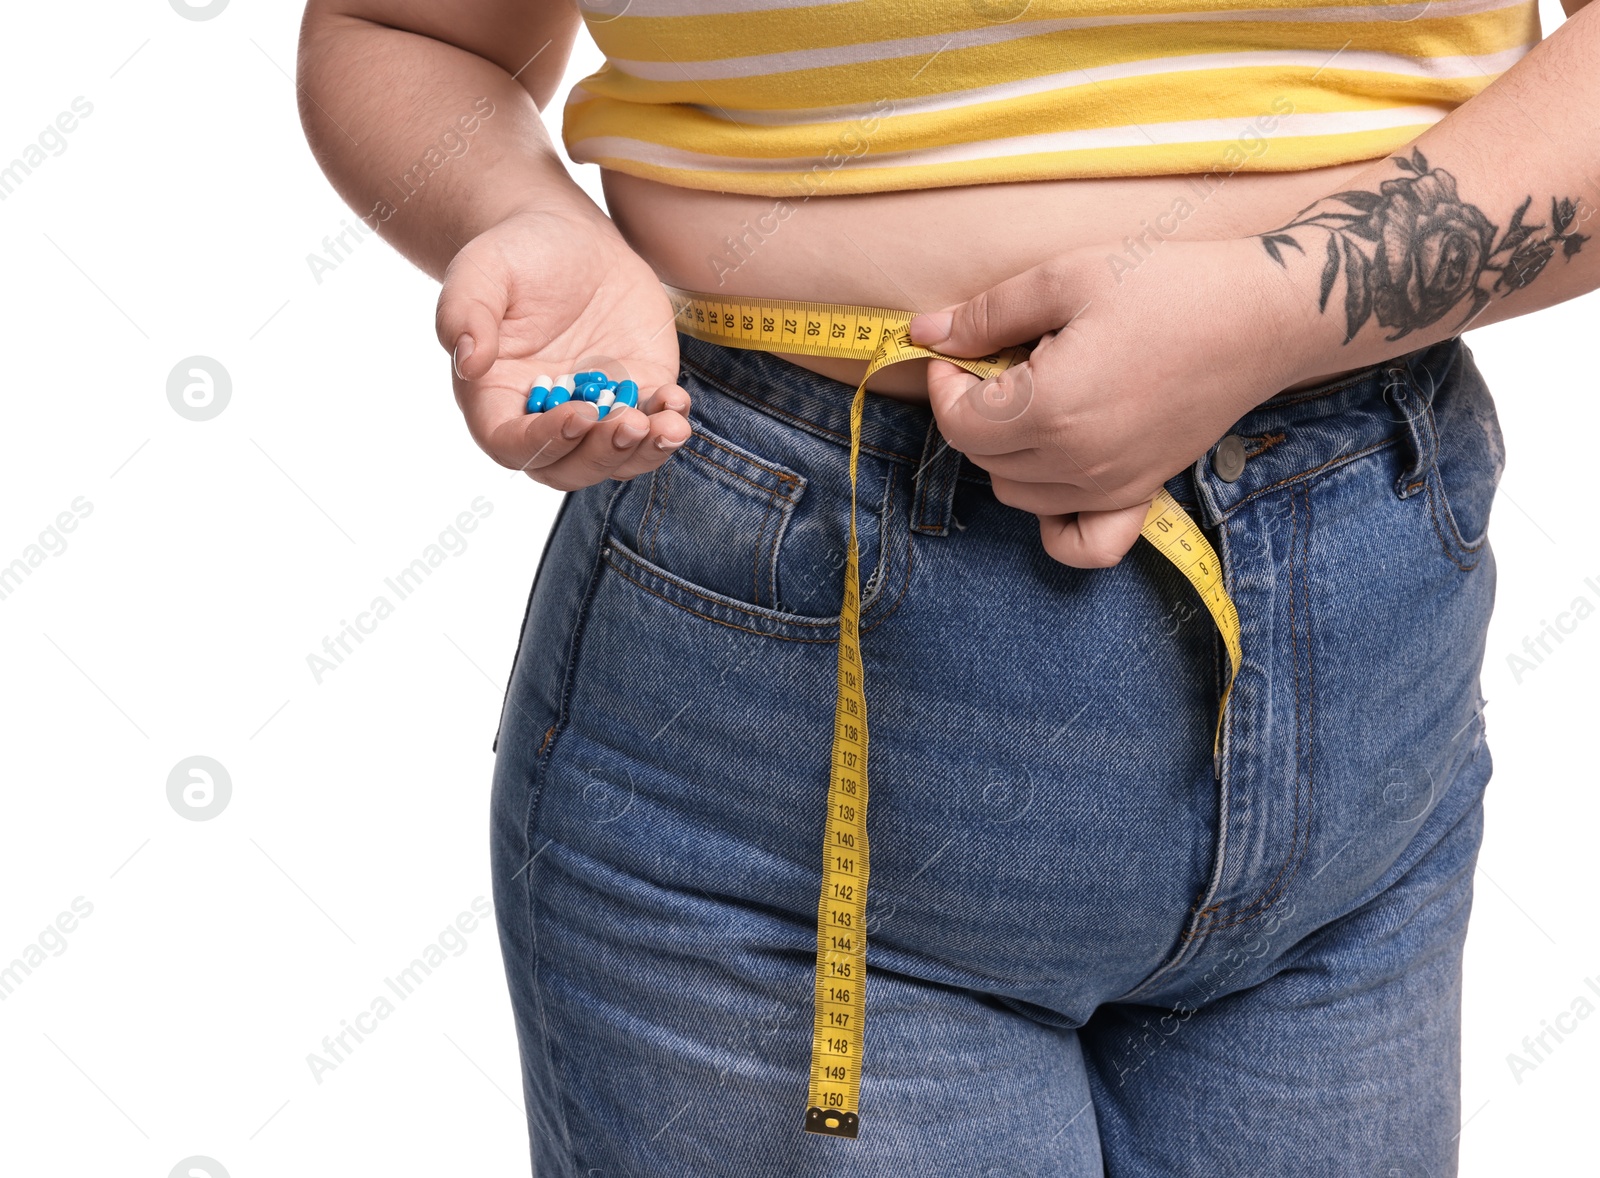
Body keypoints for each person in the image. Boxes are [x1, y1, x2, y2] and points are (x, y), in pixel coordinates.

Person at [298, 0, 1596, 1172]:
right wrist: (519, 211)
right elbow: (404, 28)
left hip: (1365, 692)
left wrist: (1280, 308)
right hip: (777, 730)